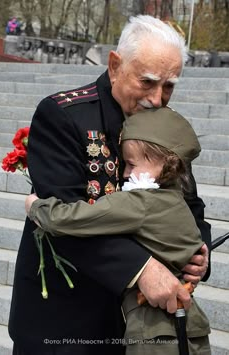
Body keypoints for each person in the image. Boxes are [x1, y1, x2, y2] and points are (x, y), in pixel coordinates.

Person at [8, 15, 211, 355]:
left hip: (140, 325)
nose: (158, 98)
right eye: (147, 82)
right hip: (66, 318)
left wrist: (198, 252)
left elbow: (190, 205)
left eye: (170, 85)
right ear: (115, 65)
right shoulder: (64, 115)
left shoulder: (166, 128)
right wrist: (142, 269)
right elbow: (65, 220)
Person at [25, 107, 211, 355]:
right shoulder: (174, 196)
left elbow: (69, 219)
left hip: (154, 327)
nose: (124, 174)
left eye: (131, 164)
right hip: (188, 322)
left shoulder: (139, 202)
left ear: (163, 163)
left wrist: (36, 206)